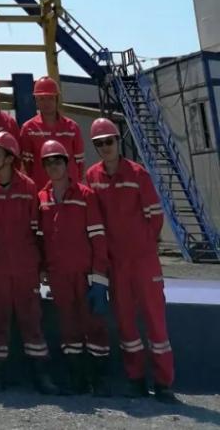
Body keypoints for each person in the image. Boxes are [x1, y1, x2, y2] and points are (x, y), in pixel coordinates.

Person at [86, 118, 175, 401]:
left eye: (109, 141)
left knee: (155, 322)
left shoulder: (138, 175)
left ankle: (163, 383)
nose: (105, 147)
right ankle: (135, 379)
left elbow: (155, 217)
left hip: (143, 261)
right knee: (125, 323)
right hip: (116, 264)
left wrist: (142, 246)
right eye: (99, 144)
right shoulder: (92, 177)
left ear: (118, 141)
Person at [0, 130, 55, 392]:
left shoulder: (28, 187)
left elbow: (37, 231)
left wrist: (41, 266)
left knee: (31, 320)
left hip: (25, 266)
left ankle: (41, 374)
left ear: (10, 158)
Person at [37, 139, 110, 394]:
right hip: (59, 275)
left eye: (57, 161)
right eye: (48, 163)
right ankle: (77, 378)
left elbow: (98, 237)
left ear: (66, 164)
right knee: (68, 327)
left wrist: (99, 277)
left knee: (94, 326)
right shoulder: (42, 198)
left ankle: (99, 380)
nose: (53, 166)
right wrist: (43, 268)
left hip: (85, 273)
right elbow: (41, 239)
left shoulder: (85, 195)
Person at [19, 76, 84, 190]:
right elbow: (26, 166)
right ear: (36, 101)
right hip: (41, 192)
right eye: (41, 99)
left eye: (50, 98)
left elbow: (80, 164)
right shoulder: (28, 129)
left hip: (70, 191)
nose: (46, 103)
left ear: (57, 99)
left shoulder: (72, 128)